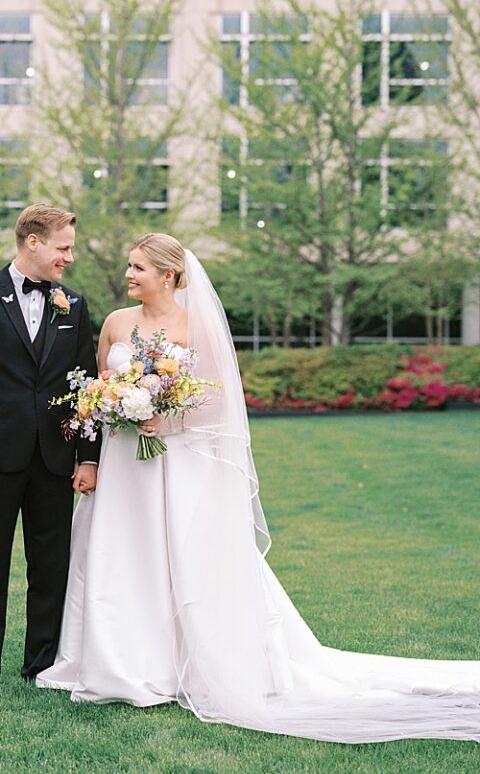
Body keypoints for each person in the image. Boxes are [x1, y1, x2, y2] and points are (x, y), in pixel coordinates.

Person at [37, 233, 480, 743]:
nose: (129, 274)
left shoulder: (195, 324)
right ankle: (117, 661)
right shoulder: (116, 322)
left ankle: (182, 661)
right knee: (123, 554)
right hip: (124, 463)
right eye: (129, 265)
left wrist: (168, 419)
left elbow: (216, 402)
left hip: (176, 461)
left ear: (168, 275)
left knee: (183, 556)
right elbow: (98, 387)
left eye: (138, 267)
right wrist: (117, 405)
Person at [0, 204, 100, 696]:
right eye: (63, 247)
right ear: (33, 242)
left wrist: (88, 456)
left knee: (51, 569)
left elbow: (86, 388)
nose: (68, 258)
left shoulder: (74, 306)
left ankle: (43, 668)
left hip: (54, 458)